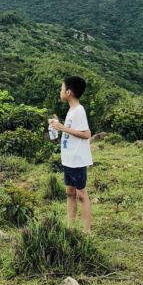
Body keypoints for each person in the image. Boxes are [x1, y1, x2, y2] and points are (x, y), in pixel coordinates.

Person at [48, 75, 94, 233]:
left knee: (81, 194)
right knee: (70, 192)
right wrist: (58, 126)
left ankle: (87, 231)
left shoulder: (79, 111)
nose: (60, 91)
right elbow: (71, 132)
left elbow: (86, 134)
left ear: (68, 92)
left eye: (62, 89)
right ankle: (70, 227)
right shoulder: (72, 110)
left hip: (77, 160)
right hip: (68, 159)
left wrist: (62, 128)